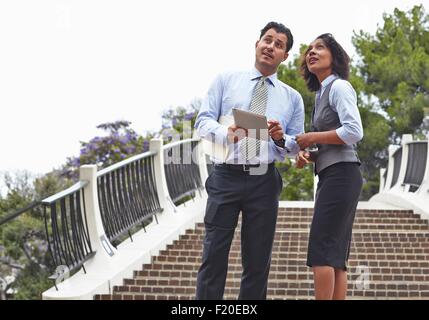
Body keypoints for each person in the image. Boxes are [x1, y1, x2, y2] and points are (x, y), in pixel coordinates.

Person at [194, 21, 304, 300]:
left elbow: (295, 147)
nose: (271, 46)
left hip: (264, 179)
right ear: (257, 44)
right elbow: (202, 121)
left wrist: (281, 139)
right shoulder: (226, 79)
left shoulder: (292, 98)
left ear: (285, 56)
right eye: (267, 40)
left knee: (257, 262)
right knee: (214, 254)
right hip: (225, 175)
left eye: (279, 45)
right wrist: (224, 132)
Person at [295, 33, 363, 300]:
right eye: (309, 49)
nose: (311, 52)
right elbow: (331, 142)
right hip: (335, 174)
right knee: (335, 256)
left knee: (322, 250)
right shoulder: (322, 93)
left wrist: (312, 137)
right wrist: (309, 155)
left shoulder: (339, 88)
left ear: (334, 56)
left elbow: (354, 131)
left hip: (341, 175)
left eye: (319, 48)